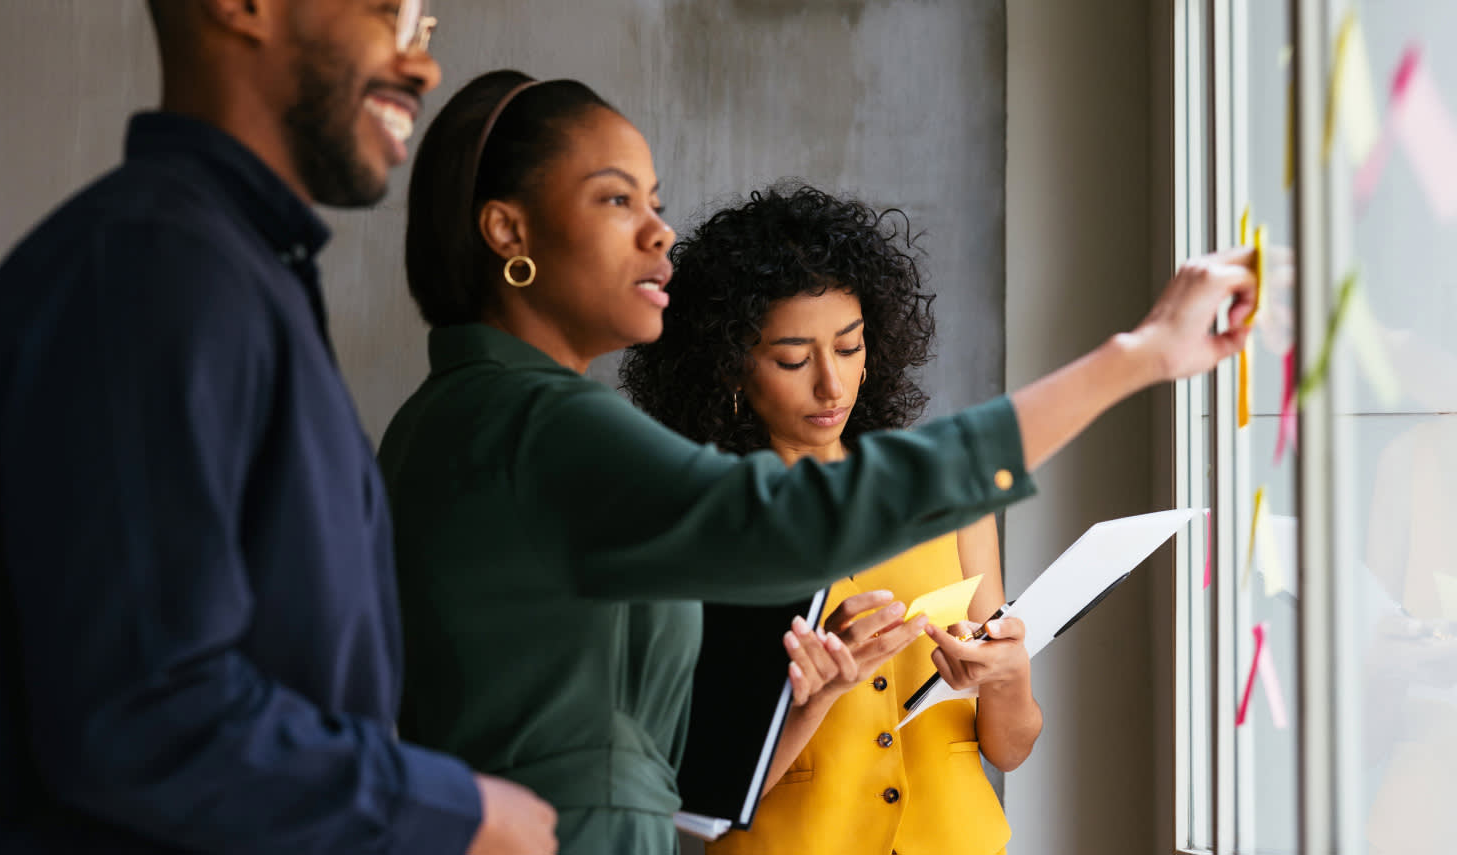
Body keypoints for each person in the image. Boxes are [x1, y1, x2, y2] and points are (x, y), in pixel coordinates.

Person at [381, 68, 1255, 855]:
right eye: (616, 199)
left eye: (654, 199)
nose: (659, 233)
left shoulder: (452, 419)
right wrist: (1137, 356)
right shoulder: (545, 426)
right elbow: (792, 528)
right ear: (509, 231)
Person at [0, 3, 554, 854]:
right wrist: (456, 811)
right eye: (388, 12)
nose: (423, 68)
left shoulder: (232, 274)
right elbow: (146, 714)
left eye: (426, 31)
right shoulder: (153, 270)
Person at [619, 182, 1037, 855]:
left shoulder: (950, 498)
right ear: (730, 369)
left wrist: (1010, 674)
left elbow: (1010, 749)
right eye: (793, 359)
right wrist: (812, 699)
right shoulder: (700, 532)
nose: (832, 386)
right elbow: (693, 799)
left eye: (849, 348)